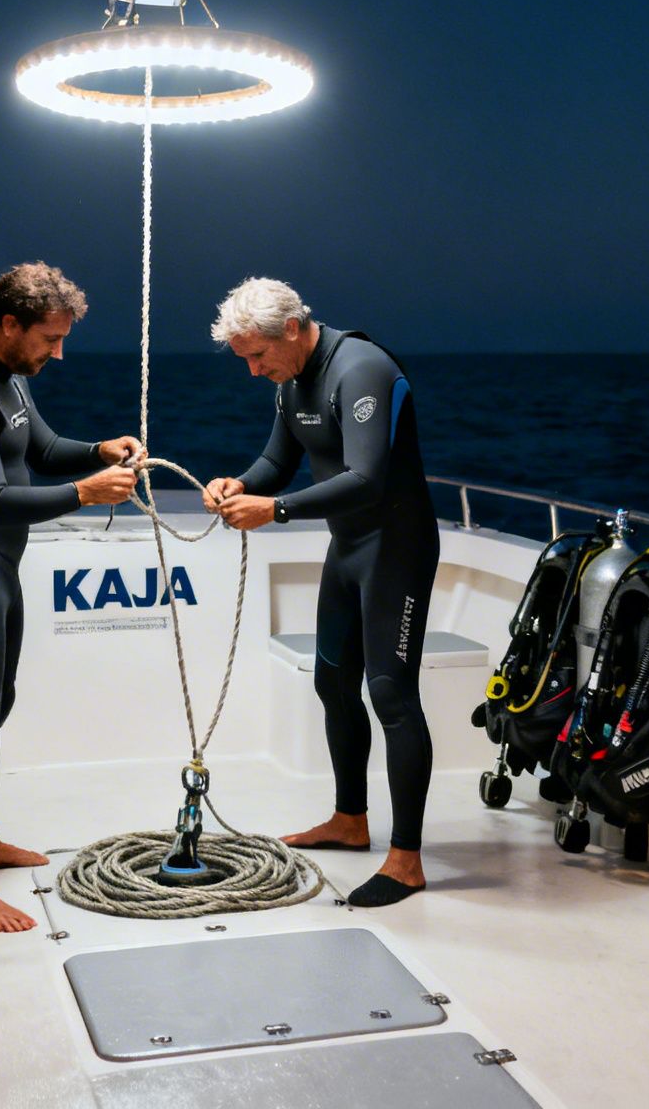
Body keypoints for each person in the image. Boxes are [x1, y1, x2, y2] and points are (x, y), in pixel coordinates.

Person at [0, 262, 141, 932]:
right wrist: (84, 494)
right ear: (9, 324)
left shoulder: (8, 377)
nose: (57, 353)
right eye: (50, 339)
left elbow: (41, 449)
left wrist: (99, 450)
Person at [202, 277, 440, 907]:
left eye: (258, 356)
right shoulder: (291, 380)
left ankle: (407, 861)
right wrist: (239, 484)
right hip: (348, 547)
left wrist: (275, 511)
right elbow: (276, 464)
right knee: (333, 684)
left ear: (291, 329)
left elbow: (366, 478)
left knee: (390, 694)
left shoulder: (362, 369)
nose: (254, 371)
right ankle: (349, 820)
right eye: (245, 359)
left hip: (396, 549)